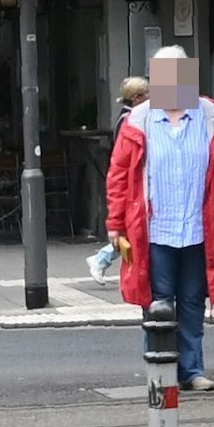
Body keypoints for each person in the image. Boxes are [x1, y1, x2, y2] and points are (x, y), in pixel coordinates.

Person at [107, 47, 214, 393]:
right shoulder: (138, 121)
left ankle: (192, 369)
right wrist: (115, 223)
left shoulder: (210, 115)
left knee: (194, 298)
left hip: (200, 226)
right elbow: (119, 175)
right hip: (153, 229)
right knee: (158, 301)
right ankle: (162, 368)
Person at [87, 75, 149, 283]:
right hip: (133, 184)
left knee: (133, 234)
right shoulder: (131, 121)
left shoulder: (128, 118)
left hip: (133, 183)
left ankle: (102, 259)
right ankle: (102, 258)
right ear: (138, 97)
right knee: (132, 234)